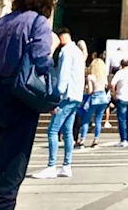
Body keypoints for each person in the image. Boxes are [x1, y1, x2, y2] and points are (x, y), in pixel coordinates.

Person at [0, 0, 60, 210]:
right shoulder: (38, 23)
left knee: (2, 172)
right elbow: (40, 63)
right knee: (9, 180)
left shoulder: (2, 21)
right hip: (18, 102)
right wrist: (52, 49)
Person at [34, 29, 84, 178]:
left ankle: (51, 166)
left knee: (53, 131)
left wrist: (57, 96)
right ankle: (67, 165)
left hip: (66, 96)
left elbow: (63, 74)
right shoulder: (78, 52)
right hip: (76, 96)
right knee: (68, 131)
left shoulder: (66, 52)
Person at [80, 54, 110, 148]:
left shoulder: (91, 77)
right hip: (103, 98)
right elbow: (105, 86)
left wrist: (86, 89)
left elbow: (90, 91)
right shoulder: (103, 76)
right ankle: (96, 139)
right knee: (98, 120)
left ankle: (82, 139)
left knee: (86, 119)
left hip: (94, 98)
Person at [111, 57, 128, 149]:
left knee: (122, 119)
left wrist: (113, 94)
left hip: (121, 96)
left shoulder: (120, 73)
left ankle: (123, 139)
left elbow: (112, 84)